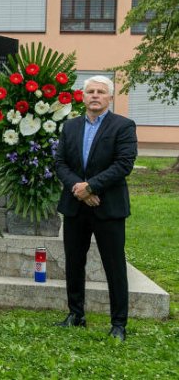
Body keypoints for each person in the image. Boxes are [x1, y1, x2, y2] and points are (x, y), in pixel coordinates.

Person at [54, 75, 137, 341]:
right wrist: (80, 189)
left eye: (101, 91)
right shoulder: (70, 127)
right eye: (90, 91)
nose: (95, 96)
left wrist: (91, 187)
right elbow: (60, 163)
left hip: (108, 207)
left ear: (110, 97)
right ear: (83, 96)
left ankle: (118, 324)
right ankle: (76, 315)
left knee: (114, 266)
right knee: (74, 263)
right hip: (76, 207)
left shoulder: (123, 126)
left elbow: (124, 164)